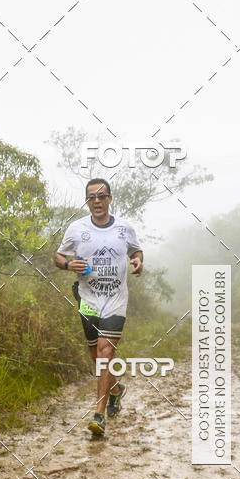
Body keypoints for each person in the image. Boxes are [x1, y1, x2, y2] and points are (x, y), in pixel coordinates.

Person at [54, 178, 143, 435]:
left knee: (105, 354)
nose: (96, 201)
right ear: (87, 201)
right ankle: (116, 389)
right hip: (88, 300)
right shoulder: (76, 228)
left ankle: (98, 415)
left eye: (101, 196)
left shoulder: (124, 229)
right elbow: (59, 256)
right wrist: (68, 264)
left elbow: (137, 252)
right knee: (96, 357)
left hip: (116, 301)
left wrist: (138, 262)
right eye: (91, 197)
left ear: (110, 199)